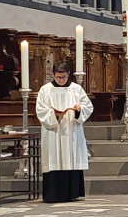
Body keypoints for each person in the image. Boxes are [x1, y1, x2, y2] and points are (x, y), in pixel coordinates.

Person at [35, 61, 93, 203]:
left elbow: (88, 107)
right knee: (54, 158)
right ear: (53, 75)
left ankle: (72, 193)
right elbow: (41, 110)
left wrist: (79, 110)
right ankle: (54, 194)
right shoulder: (45, 90)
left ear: (69, 75)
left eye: (64, 77)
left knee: (71, 158)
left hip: (72, 129)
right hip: (53, 132)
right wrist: (54, 114)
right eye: (58, 77)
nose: (61, 80)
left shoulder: (76, 89)